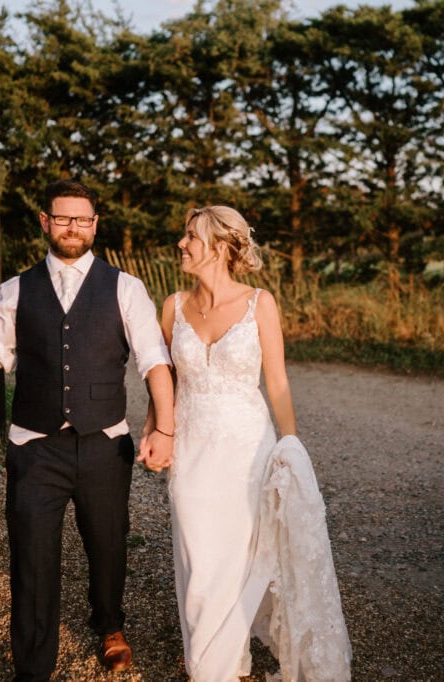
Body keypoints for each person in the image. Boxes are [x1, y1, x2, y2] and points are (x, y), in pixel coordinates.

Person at [0, 179, 175, 681]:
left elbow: (154, 361)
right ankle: (33, 667)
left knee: (109, 542)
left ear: (95, 225)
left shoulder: (126, 287)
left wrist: (166, 427)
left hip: (104, 442)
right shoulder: (16, 288)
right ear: (45, 222)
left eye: (83, 219)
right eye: (63, 217)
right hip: (35, 446)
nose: (73, 227)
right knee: (32, 555)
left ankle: (109, 623)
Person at [156, 206, 350, 681]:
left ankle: (224, 667)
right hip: (191, 452)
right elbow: (164, 379)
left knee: (242, 558)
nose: (182, 245)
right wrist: (156, 428)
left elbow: (278, 382)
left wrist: (292, 449)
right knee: (200, 563)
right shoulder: (171, 306)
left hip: (248, 451)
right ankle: (214, 662)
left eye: (191, 238)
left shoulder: (259, 303)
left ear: (220, 247)